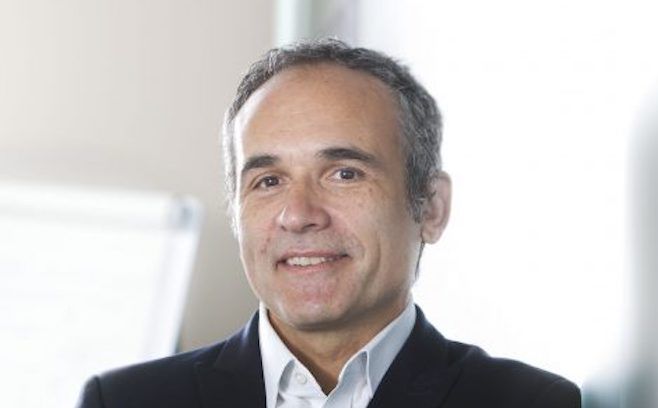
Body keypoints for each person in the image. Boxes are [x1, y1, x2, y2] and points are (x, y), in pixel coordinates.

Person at [77, 39, 581, 408]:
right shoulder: (124, 402)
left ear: (431, 207)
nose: (298, 215)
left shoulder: (527, 402)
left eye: (344, 174)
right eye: (268, 181)